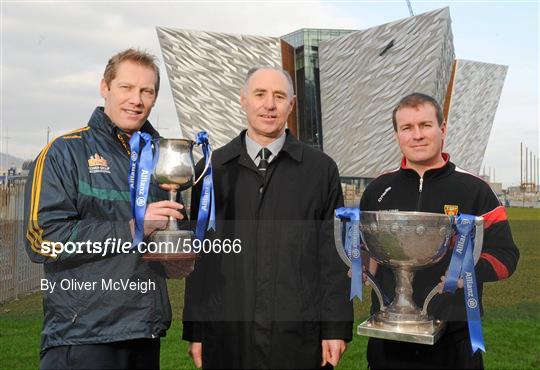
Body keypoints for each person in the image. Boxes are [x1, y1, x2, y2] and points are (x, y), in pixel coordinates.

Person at [24, 48, 189, 370]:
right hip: (82, 336)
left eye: (146, 91)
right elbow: (41, 239)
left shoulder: (161, 161)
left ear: (155, 97)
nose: (136, 99)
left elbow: (156, 242)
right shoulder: (64, 152)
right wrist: (130, 229)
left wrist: (175, 261)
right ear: (105, 87)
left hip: (144, 332)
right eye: (126, 87)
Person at [182, 67, 353, 369]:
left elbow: (334, 257)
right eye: (260, 94)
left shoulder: (321, 170)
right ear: (243, 100)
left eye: (279, 96)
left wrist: (335, 328)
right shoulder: (212, 169)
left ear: (292, 104)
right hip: (228, 334)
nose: (269, 105)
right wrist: (196, 329)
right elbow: (201, 260)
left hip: (298, 336)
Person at [359, 92, 520, 369]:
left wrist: (467, 272)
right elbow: (364, 247)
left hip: (454, 341)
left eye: (425, 125)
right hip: (390, 339)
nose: (417, 135)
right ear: (397, 134)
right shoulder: (377, 189)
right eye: (407, 128)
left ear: (442, 129)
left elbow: (506, 256)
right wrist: (361, 262)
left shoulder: (475, 190)